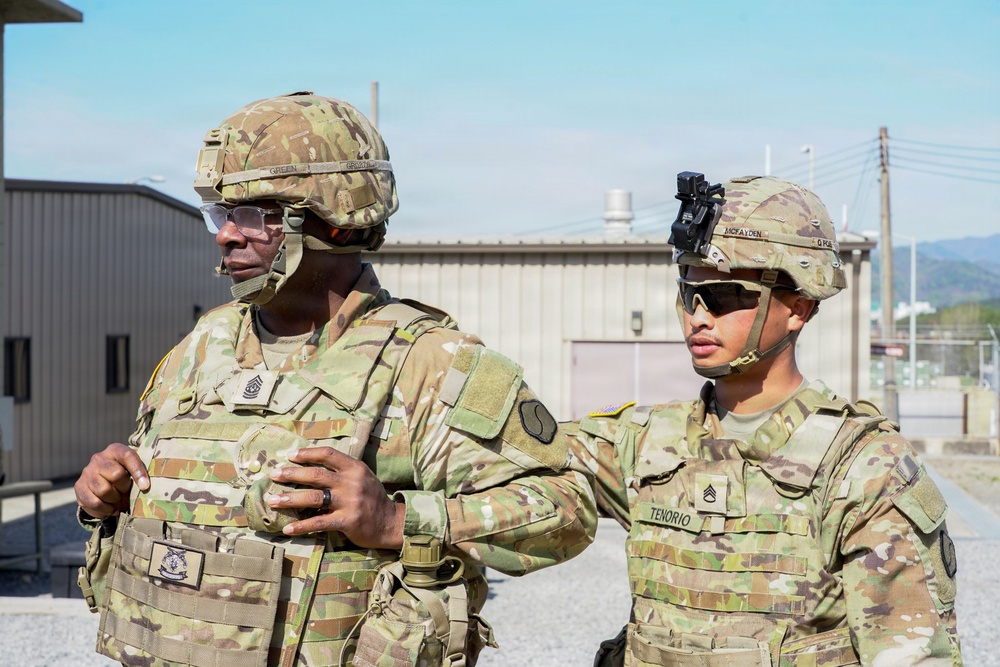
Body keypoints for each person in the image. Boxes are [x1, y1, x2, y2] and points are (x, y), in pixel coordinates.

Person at [74, 91, 596, 667]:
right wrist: (109, 494)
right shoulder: (203, 344)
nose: (226, 235)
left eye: (256, 214)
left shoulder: (430, 362)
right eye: (221, 214)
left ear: (338, 222)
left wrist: (397, 521)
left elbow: (566, 509)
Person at [568, 173, 962, 666]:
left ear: (798, 308)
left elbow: (915, 654)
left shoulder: (864, 467)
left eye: (725, 296)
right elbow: (514, 458)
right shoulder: (643, 443)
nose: (698, 317)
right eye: (689, 294)